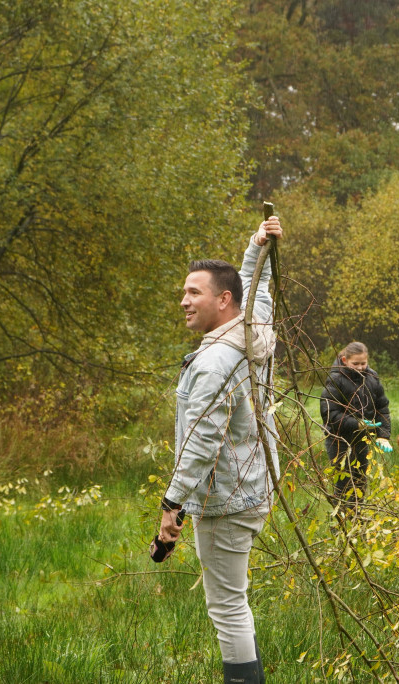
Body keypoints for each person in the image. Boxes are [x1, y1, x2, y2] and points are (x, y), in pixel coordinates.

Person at [153, 215, 283, 684]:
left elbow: (200, 443)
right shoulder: (253, 332)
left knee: (228, 605)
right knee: (234, 600)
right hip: (254, 487)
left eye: (194, 293)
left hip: (226, 499)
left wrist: (173, 506)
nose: (184, 301)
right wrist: (258, 247)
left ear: (222, 301)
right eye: (184, 292)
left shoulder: (215, 362)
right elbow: (256, 290)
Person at [319, 342, 392, 509]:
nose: (360, 367)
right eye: (355, 364)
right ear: (345, 360)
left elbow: (382, 408)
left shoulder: (372, 377)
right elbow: (330, 414)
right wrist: (357, 424)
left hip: (362, 439)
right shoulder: (336, 379)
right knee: (343, 483)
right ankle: (341, 524)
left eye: (363, 363)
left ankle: (357, 521)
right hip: (339, 440)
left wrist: (383, 435)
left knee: (360, 481)